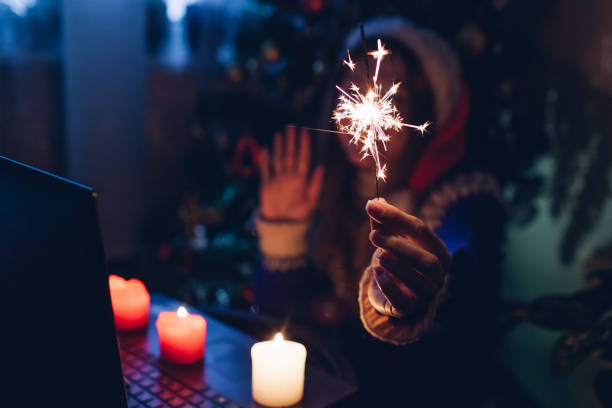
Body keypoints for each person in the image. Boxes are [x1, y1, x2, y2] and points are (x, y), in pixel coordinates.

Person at [254, 17, 506, 406]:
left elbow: (455, 346)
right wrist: (284, 233)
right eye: (354, 92)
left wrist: (405, 303)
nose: (370, 111)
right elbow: (282, 328)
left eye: (397, 100)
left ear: (426, 113)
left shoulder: (463, 207)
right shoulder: (324, 191)